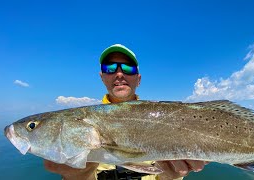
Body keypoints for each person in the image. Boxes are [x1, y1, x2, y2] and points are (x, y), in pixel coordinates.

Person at [44, 44, 208, 180]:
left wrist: (169, 177)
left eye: (128, 68)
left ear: (139, 78)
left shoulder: (164, 117)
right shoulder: (84, 123)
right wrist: (76, 176)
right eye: (110, 68)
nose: (119, 74)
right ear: (102, 77)